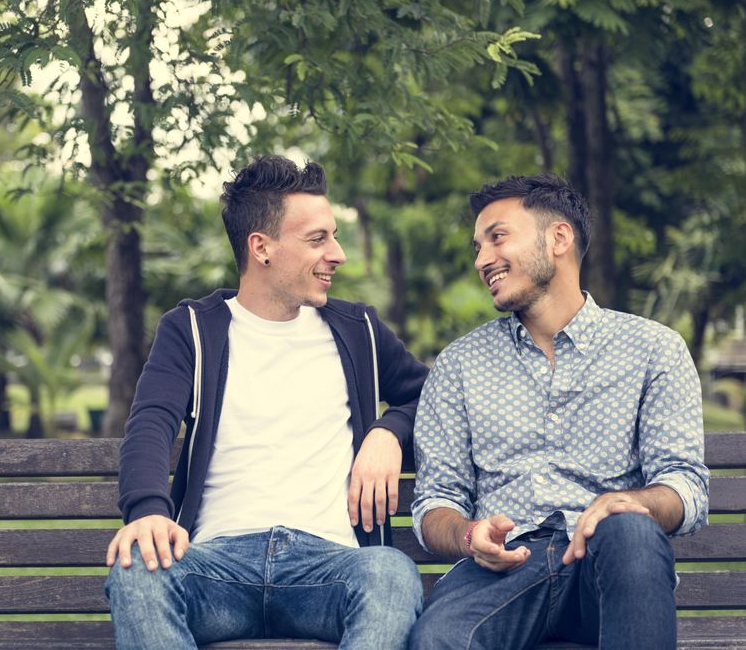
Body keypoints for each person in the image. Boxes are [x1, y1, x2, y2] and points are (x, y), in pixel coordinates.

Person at [105, 155, 429, 649]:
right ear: (262, 248)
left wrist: (389, 431)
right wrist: (148, 510)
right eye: (318, 239)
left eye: (334, 236)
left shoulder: (358, 329)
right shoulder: (192, 329)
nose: (338, 254)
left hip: (330, 569)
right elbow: (151, 423)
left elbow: (430, 397)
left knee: (391, 573)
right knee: (136, 571)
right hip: (215, 567)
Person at [409, 174, 708, 650]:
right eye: (478, 247)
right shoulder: (460, 364)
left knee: (630, 527)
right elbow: (435, 501)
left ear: (559, 238)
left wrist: (631, 504)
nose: (481, 260)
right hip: (501, 572)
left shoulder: (653, 350)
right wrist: (469, 534)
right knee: (439, 638)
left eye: (497, 237)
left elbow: (685, 486)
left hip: (607, 569)